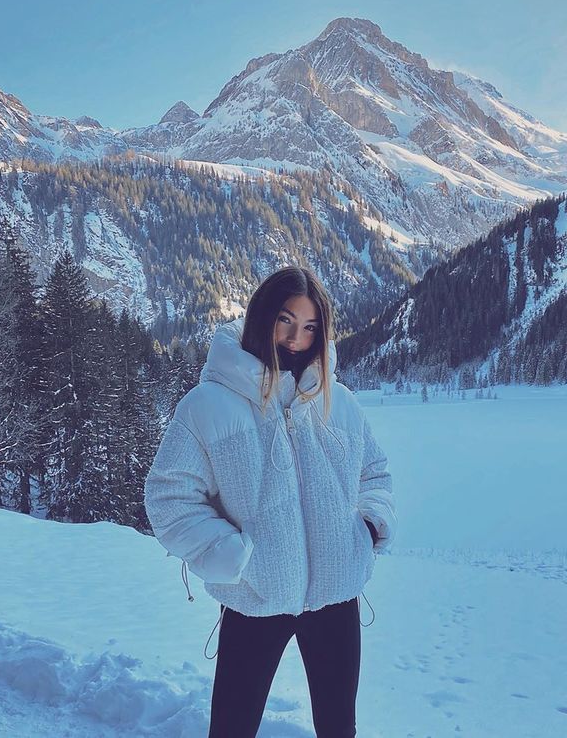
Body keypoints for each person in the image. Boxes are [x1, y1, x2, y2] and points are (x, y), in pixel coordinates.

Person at [143, 265, 397, 738]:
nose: (296, 339)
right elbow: (168, 496)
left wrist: (365, 528)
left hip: (335, 595)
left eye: (310, 327)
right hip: (255, 596)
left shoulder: (338, 402)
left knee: (339, 728)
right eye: (285, 320)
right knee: (232, 728)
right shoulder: (209, 405)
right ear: (261, 316)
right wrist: (230, 555)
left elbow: (375, 474)